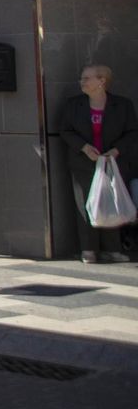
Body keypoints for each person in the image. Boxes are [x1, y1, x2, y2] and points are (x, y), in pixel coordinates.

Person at [57, 64, 138, 263]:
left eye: (87, 78)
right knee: (86, 204)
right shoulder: (74, 105)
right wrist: (84, 148)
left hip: (113, 163)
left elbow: (132, 132)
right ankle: (88, 249)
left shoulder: (123, 105)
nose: (82, 82)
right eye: (82, 78)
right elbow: (65, 131)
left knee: (113, 202)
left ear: (102, 81)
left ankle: (113, 248)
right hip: (84, 163)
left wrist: (116, 150)